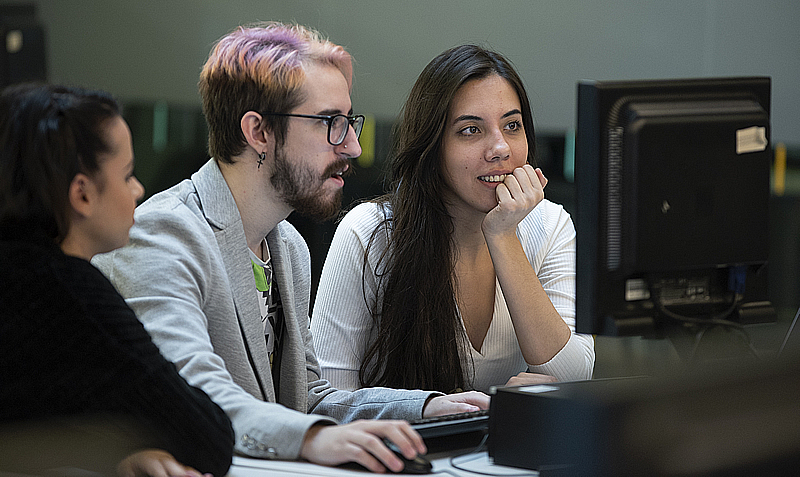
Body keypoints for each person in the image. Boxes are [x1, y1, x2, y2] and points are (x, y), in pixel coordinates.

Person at [93, 22, 488, 473]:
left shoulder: (288, 246)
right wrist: (314, 438)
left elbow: (307, 398)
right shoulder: (162, 235)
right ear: (258, 132)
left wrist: (424, 410)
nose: (354, 146)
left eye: (349, 123)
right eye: (330, 124)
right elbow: (194, 393)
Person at [311, 45, 596, 395]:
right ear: (432, 147)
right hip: (399, 447)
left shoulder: (549, 225)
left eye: (512, 125)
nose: (500, 148)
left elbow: (573, 377)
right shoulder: (370, 232)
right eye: (470, 131)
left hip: (507, 448)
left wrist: (503, 236)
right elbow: (327, 401)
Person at [0, 83, 234, 476]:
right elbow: (208, 437)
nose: (139, 190)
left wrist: (115, 453)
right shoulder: (71, 295)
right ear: (82, 194)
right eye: (127, 175)